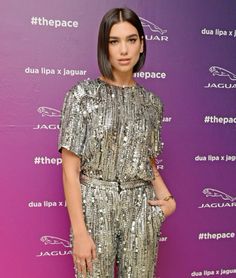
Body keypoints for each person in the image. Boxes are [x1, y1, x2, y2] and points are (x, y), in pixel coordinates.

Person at [58, 7, 176, 278]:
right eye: (114, 41)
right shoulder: (82, 95)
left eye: (131, 40)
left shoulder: (152, 104)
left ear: (142, 45)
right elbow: (70, 170)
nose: (124, 50)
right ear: (105, 46)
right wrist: (79, 232)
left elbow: (148, 161)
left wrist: (168, 200)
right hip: (95, 205)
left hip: (140, 207)